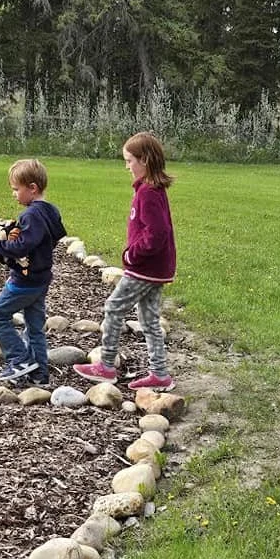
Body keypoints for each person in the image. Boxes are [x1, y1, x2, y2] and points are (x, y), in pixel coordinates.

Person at [73, 131, 176, 391]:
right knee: (149, 319)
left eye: (129, 160)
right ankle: (160, 374)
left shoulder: (148, 193)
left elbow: (157, 233)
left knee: (114, 307)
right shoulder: (152, 190)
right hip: (156, 269)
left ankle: (106, 366)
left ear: (145, 160)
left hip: (144, 268)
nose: (126, 166)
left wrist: (132, 254)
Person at [0, 159, 66, 385]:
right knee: (34, 328)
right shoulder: (50, 211)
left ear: (32, 188)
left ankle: (19, 359)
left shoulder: (31, 215)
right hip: (41, 279)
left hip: (24, 281)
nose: (13, 194)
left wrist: (0, 245)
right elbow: (51, 238)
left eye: (16, 189)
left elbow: (23, 247)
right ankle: (39, 375)